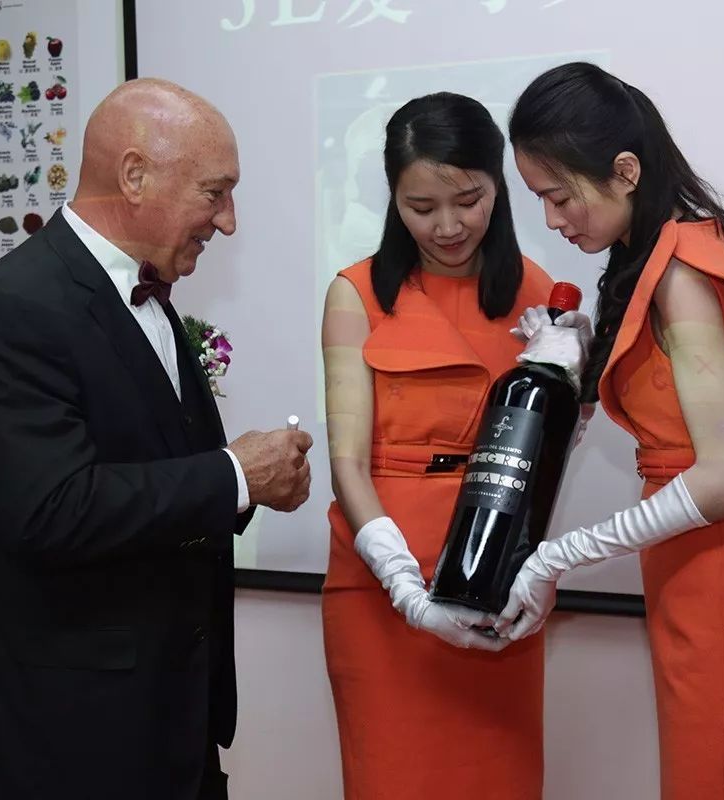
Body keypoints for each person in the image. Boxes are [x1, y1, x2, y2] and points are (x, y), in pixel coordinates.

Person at [0, 78, 313, 799]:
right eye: (215, 192)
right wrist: (234, 476)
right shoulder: (12, 305)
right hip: (65, 732)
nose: (228, 221)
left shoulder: (148, 293)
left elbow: (151, 465)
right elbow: (49, 510)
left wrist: (251, 485)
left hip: (166, 714)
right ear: (134, 176)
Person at [498, 62, 724, 800]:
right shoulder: (660, 256)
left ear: (626, 171)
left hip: (720, 566)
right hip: (697, 560)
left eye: (559, 196)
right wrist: (568, 363)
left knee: (717, 776)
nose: (552, 220)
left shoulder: (681, 272)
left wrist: (558, 556)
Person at [320, 91, 558, 799]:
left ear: (497, 186)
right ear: (393, 199)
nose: (448, 226)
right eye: (421, 207)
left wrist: (540, 565)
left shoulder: (538, 295)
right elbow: (345, 463)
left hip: (494, 578)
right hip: (380, 581)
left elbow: (545, 454)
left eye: (468, 200)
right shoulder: (355, 293)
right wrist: (401, 583)